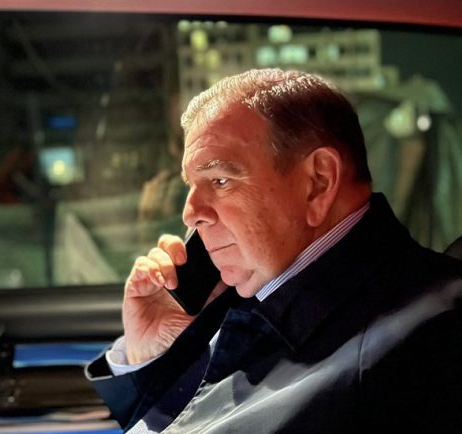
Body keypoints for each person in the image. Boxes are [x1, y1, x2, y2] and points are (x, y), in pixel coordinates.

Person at [85, 68, 462, 433]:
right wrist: (151, 356)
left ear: (318, 182)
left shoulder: (429, 345)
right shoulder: (254, 295)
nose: (190, 213)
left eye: (220, 180)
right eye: (191, 185)